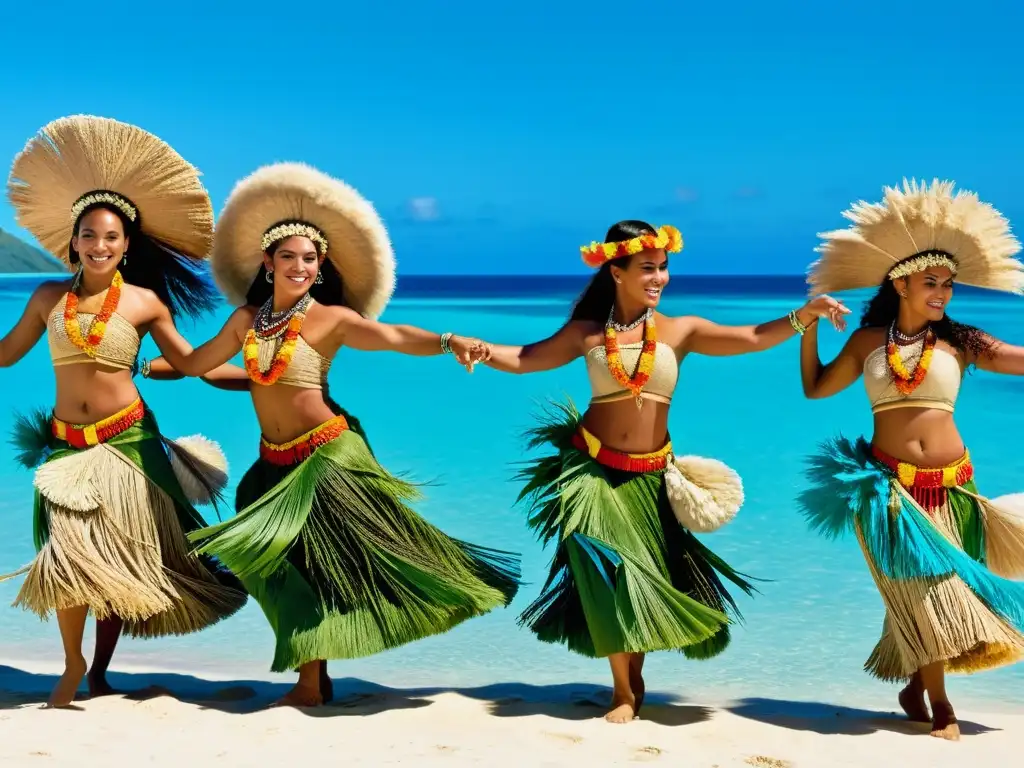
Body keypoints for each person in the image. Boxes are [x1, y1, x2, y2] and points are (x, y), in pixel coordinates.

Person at [147, 161, 521, 707]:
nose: (299, 266)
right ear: (267, 262)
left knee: (340, 561)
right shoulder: (246, 321)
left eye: (309, 258)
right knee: (273, 566)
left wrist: (448, 339)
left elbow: (391, 335)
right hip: (270, 466)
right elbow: (210, 362)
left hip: (326, 457)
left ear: (319, 268)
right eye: (288, 256)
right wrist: (151, 355)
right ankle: (313, 673)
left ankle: (309, 682)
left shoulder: (331, 319)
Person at [471, 220, 847, 723]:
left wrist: (807, 315)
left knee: (642, 576)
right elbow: (524, 358)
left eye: (664, 267)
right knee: (605, 569)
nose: (659, 277)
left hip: (650, 474)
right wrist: (477, 348)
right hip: (592, 470)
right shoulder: (586, 333)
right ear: (616, 271)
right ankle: (623, 691)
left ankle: (634, 674)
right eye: (648, 268)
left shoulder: (679, 330)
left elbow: (753, 337)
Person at [0, 115, 248, 708]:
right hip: (66, 449)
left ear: (126, 244)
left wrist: (261, 376)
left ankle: (100, 672)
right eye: (90, 234)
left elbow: (191, 364)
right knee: (70, 557)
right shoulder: (46, 298)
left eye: (111, 236)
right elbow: (6, 356)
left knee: (116, 564)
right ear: (74, 240)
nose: (100, 245)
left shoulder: (143, 302)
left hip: (129, 446)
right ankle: (71, 663)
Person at [797, 178, 1024, 741]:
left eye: (948, 284)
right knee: (924, 594)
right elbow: (817, 388)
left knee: (941, 593)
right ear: (901, 282)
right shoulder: (866, 342)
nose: (943, 292)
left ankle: (917, 687)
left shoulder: (962, 342)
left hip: (953, 489)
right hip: (888, 493)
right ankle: (943, 709)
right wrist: (806, 328)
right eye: (931, 282)